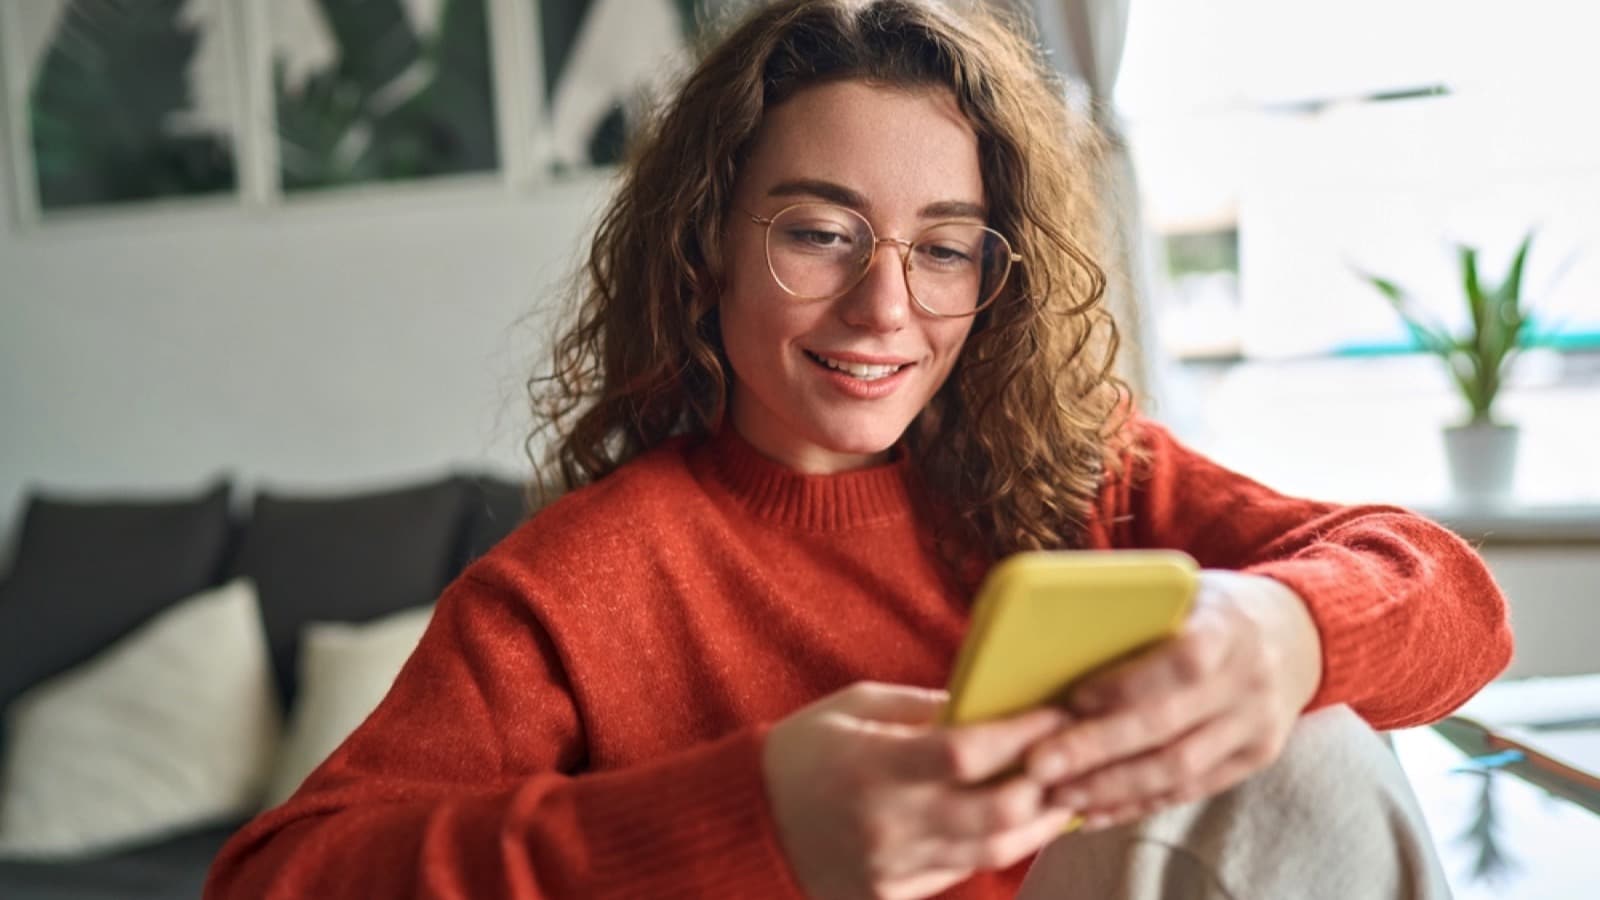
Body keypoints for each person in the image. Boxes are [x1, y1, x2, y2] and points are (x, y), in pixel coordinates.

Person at [205, 1, 1512, 897]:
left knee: (1317, 735)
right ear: (709, 243)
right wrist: (752, 817)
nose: (886, 309)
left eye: (943, 249)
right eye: (819, 233)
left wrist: (1284, 634)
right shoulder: (574, 590)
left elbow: (1450, 599)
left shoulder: (1084, 477)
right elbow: (280, 880)